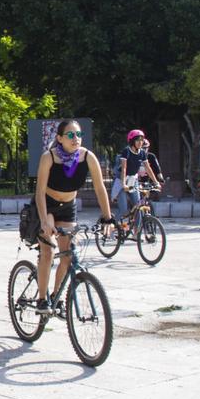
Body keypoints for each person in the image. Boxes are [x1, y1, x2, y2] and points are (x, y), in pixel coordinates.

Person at [34, 120, 115, 314]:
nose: (75, 139)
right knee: (48, 251)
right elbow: (39, 191)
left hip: (68, 207)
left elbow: (99, 187)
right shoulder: (49, 157)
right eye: (70, 135)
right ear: (59, 138)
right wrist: (45, 221)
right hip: (48, 205)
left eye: (78, 135)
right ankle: (42, 299)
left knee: (68, 256)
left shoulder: (87, 157)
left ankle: (56, 296)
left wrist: (108, 217)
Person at [118, 129, 161, 224]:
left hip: (133, 180)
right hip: (122, 180)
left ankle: (136, 234)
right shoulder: (126, 151)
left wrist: (156, 182)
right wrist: (124, 184)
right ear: (132, 141)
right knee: (123, 209)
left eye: (142, 140)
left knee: (138, 207)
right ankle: (112, 228)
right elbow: (124, 169)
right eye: (137, 140)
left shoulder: (142, 153)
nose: (140, 142)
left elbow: (148, 168)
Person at [138, 138, 165, 202]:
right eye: (142, 148)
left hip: (148, 181)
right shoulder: (134, 156)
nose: (144, 150)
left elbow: (157, 169)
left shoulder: (151, 156)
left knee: (147, 198)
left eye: (146, 148)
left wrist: (161, 179)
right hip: (136, 180)